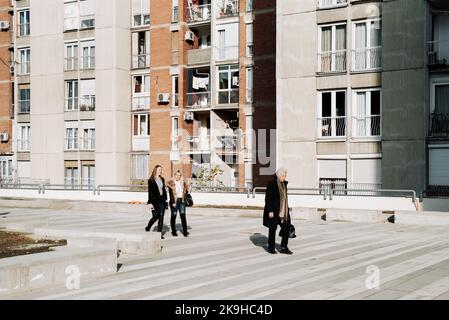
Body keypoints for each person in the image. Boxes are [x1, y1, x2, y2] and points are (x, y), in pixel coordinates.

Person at [263, 168, 293, 255]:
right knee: (272, 229)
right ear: (278, 175)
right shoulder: (271, 184)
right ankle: (271, 247)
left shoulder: (284, 184)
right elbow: (268, 199)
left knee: (286, 227)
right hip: (274, 210)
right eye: (283, 176)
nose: (284, 177)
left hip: (284, 211)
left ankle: (284, 247)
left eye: (285, 175)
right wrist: (270, 210)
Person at [145, 165, 168, 239]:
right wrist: (150, 202)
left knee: (161, 216)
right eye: (159, 169)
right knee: (155, 217)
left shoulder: (162, 179)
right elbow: (150, 192)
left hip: (162, 200)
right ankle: (148, 227)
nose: (160, 171)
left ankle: (159, 234)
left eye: (161, 169)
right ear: (155, 170)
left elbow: (163, 189)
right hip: (155, 201)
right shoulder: (151, 180)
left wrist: (165, 198)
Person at [167, 170, 191, 237]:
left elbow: (186, 191)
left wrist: (188, 188)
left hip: (182, 201)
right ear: (174, 176)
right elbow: (170, 194)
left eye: (179, 175)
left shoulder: (183, 183)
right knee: (174, 216)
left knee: (183, 216)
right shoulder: (171, 183)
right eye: (177, 175)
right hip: (174, 201)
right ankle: (173, 231)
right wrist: (173, 202)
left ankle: (185, 232)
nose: (178, 176)